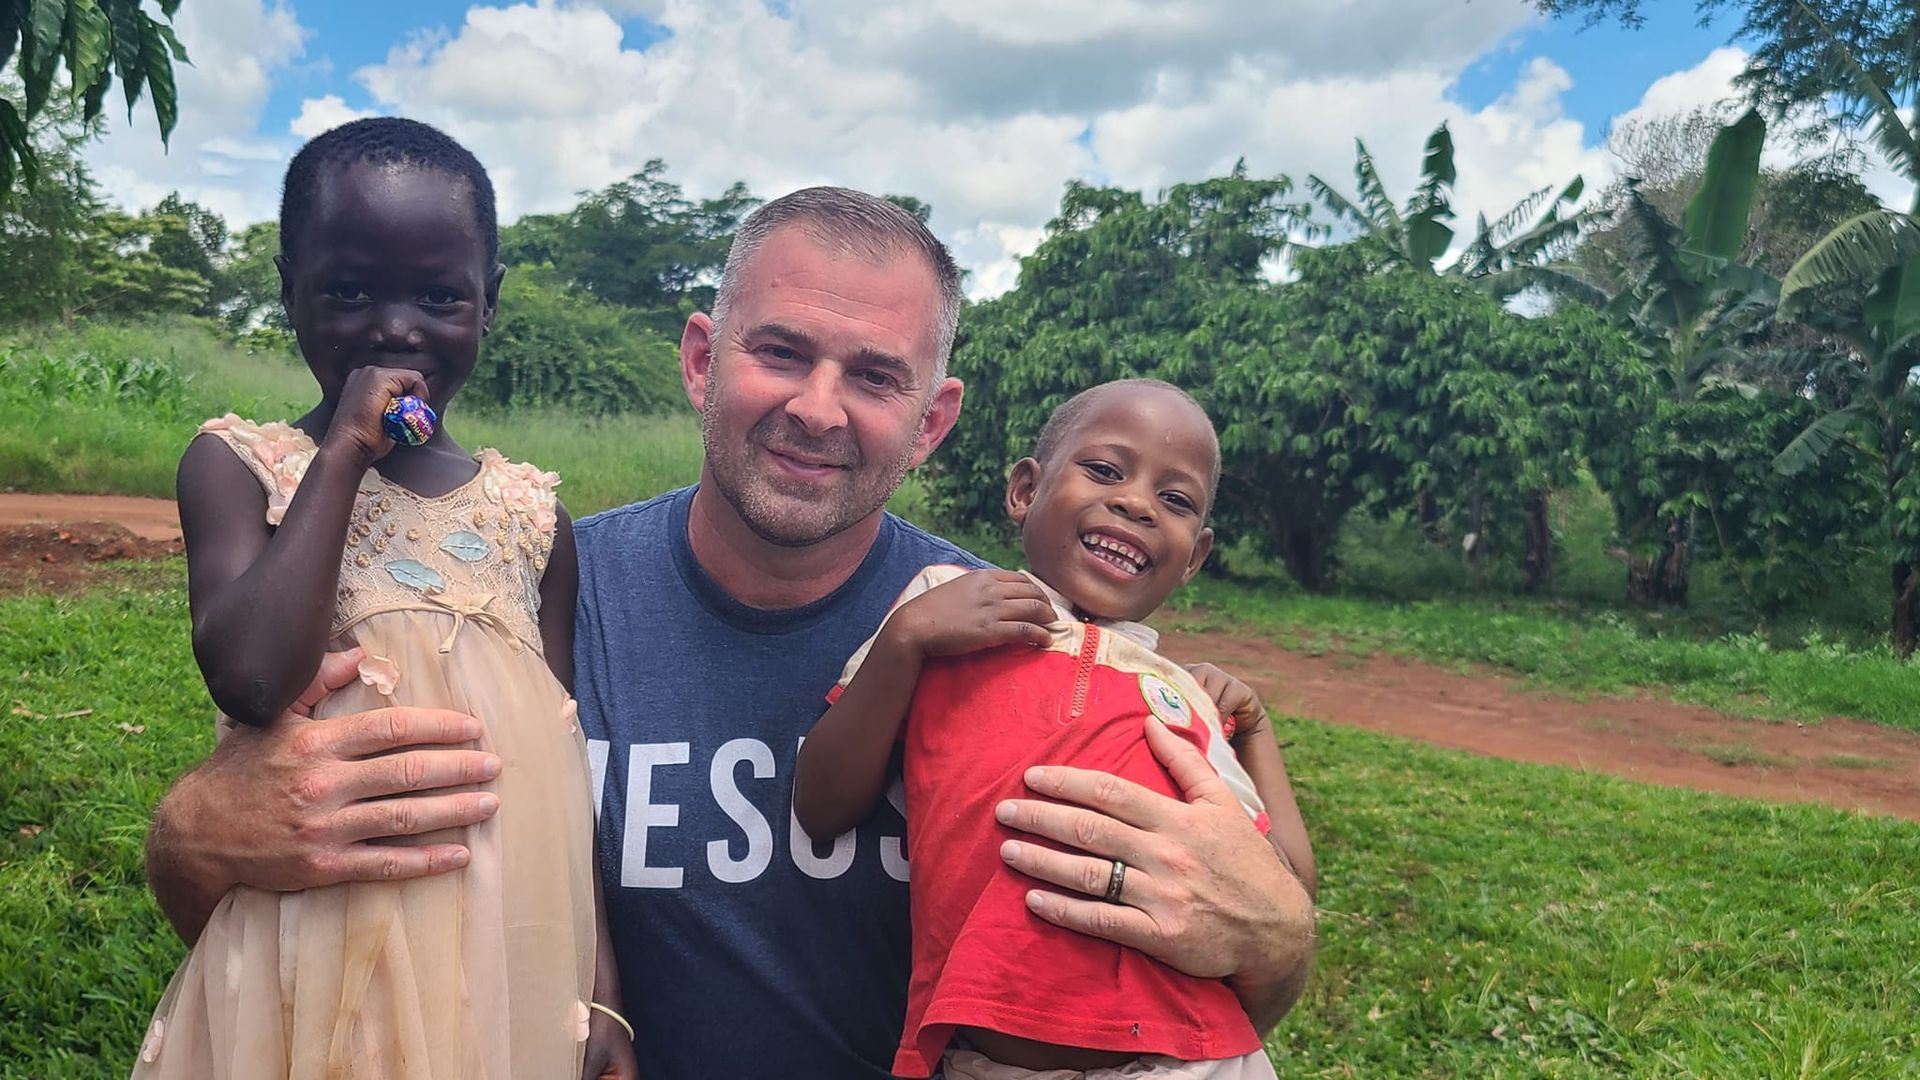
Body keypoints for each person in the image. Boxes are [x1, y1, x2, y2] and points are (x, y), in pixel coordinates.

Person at [142, 186, 1316, 1079]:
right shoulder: (525, 587)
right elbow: (306, 887)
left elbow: (1188, 981)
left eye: (873, 375)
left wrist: (1276, 938)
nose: (817, 408)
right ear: (704, 359)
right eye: (780, 351)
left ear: (933, 422)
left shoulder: (1007, 646)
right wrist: (195, 834)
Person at [132, 118, 637, 1080]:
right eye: (350, 290)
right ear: (291, 295)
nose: (395, 327)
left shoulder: (533, 516)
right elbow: (250, 674)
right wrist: (343, 456)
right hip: (319, 937)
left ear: (488, 304)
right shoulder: (245, 467)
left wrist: (599, 983)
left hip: (499, 947)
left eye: (439, 295)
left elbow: (562, 770)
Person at [793, 379, 1314, 1079]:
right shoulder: (943, 612)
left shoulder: (1177, 694)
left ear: (1195, 557)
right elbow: (820, 806)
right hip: (990, 1061)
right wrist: (905, 642)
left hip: (1198, 1063)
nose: (1135, 503)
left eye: (1176, 500)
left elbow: (1285, 892)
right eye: (1103, 470)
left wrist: (1254, 733)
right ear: (1024, 490)